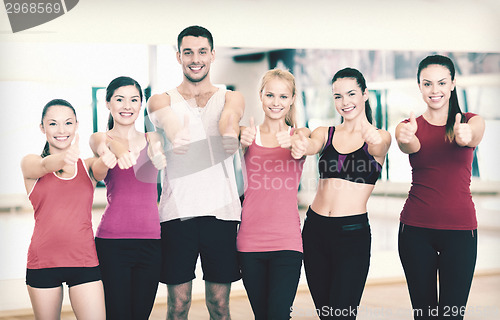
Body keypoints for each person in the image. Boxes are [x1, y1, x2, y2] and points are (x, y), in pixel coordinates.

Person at [147, 25, 245, 320]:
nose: (195, 58)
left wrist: (230, 134)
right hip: (178, 214)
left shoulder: (231, 97)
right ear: (178, 56)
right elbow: (166, 118)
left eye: (202, 51)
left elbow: (231, 118)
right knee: (178, 304)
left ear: (212, 55)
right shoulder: (161, 99)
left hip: (222, 213)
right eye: (188, 52)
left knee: (220, 303)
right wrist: (177, 134)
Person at [292, 68, 391, 319]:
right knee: (326, 313)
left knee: (343, 314)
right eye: (338, 96)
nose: (345, 102)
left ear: (365, 94)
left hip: (351, 235)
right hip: (315, 230)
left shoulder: (379, 137)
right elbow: (312, 145)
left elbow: (381, 145)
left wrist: (372, 137)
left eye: (351, 94)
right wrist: (303, 142)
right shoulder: (325, 133)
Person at [396, 55, 485, 320]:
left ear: (453, 83)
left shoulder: (471, 120)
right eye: (428, 84)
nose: (435, 90)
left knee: (452, 315)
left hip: (460, 233)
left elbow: (474, 135)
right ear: (420, 86)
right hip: (415, 231)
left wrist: (465, 136)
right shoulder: (409, 127)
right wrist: (406, 138)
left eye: (442, 83)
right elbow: (409, 145)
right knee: (423, 314)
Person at [21, 99, 108, 320]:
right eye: (53, 124)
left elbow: (100, 169)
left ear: (76, 125)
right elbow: (43, 166)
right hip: (43, 263)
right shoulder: (30, 163)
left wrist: (107, 158)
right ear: (42, 127)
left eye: (68, 123)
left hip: (84, 262)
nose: (61, 130)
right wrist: (63, 158)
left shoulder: (86, 166)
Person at [90, 76, 166, 320]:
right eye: (120, 99)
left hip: (151, 241)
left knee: (140, 315)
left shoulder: (151, 139)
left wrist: (158, 154)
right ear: (108, 104)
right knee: (118, 314)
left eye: (134, 100)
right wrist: (117, 149)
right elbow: (101, 145)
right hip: (113, 242)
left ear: (140, 104)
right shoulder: (100, 138)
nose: (127, 105)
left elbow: (159, 148)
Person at [237, 68, 308, 320]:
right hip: (249, 242)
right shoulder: (247, 134)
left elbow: (305, 145)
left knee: (278, 315)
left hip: (286, 242)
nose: (276, 102)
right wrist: (239, 141)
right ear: (261, 96)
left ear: (291, 99)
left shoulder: (299, 134)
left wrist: (298, 146)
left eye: (282, 96)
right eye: (270, 95)